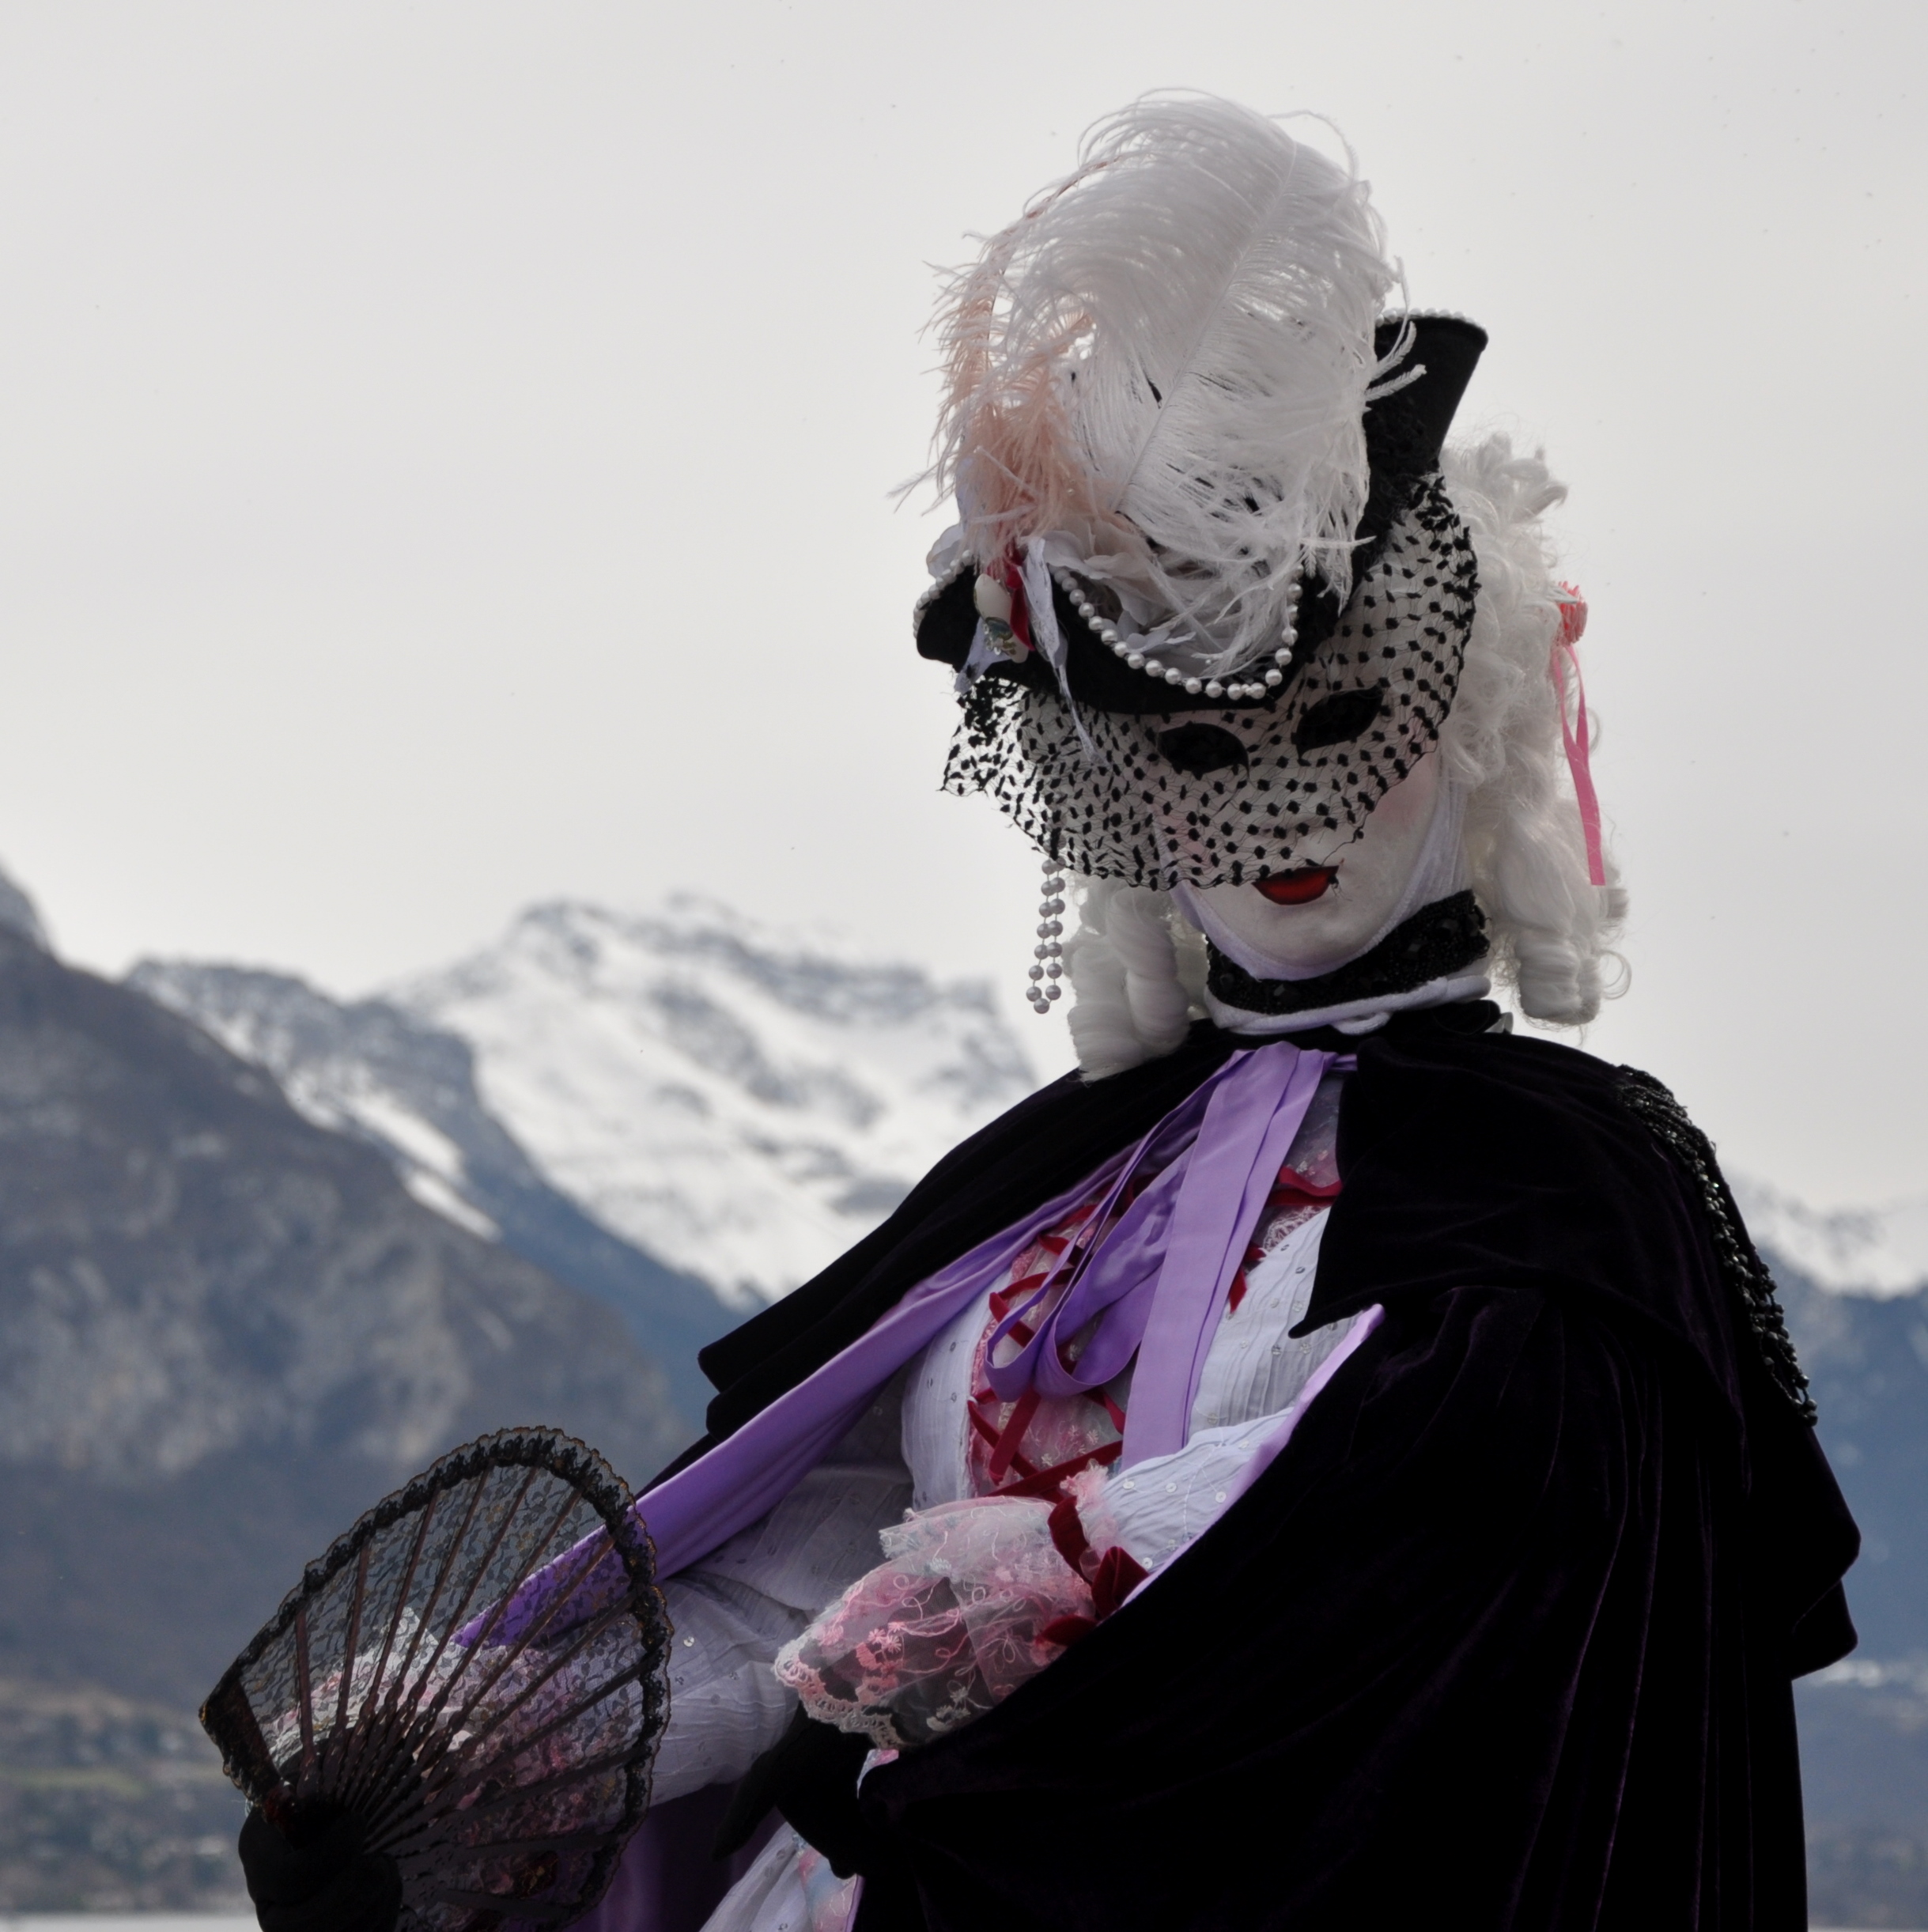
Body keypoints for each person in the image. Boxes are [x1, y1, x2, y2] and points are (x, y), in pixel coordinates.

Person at [272, 94, 1860, 1932]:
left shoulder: (1575, 1199)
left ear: (1479, 715)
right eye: (1190, 750)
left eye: (1339, 722)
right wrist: (508, 1746)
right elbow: (802, 1590)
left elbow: (1454, 1514)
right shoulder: (1062, 1183)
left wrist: (1070, 1566)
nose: (1277, 805)